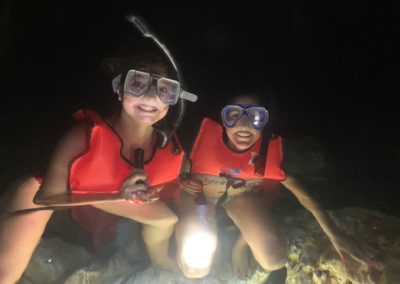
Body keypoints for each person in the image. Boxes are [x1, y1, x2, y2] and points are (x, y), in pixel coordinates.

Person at [0, 51, 195, 283]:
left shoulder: (170, 148)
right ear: (119, 89)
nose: (151, 98)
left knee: (166, 219)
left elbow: (170, 201)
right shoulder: (83, 136)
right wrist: (115, 195)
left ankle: (160, 260)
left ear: (175, 98)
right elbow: (47, 198)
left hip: (105, 214)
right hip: (43, 196)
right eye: (137, 84)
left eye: (163, 90)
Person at [177, 87, 373, 279]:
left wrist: (334, 234)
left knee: (274, 260)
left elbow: (302, 194)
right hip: (200, 200)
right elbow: (170, 165)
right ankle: (212, 235)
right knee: (195, 269)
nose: (244, 126)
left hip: (238, 199)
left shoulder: (267, 153)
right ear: (223, 118)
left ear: (265, 122)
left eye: (255, 117)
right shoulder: (198, 136)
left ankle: (241, 243)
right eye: (234, 115)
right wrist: (181, 180)